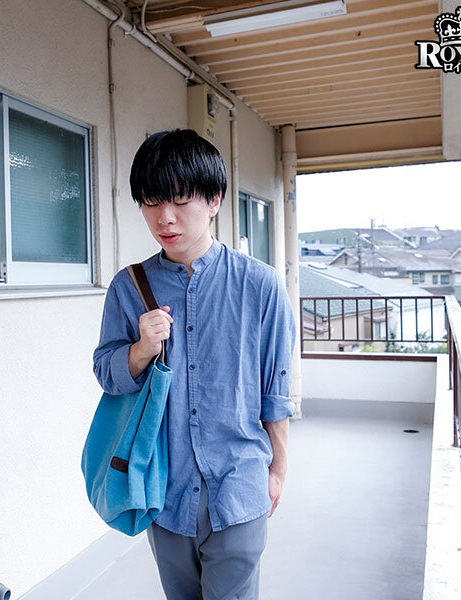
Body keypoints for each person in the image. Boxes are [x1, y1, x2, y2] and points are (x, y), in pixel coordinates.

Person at [93, 129, 295, 600]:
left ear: (214, 201)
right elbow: (107, 373)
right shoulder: (128, 287)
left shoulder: (260, 285)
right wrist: (142, 348)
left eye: (180, 201)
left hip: (239, 484)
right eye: (151, 203)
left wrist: (277, 472)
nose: (164, 217)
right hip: (164, 490)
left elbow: (276, 391)